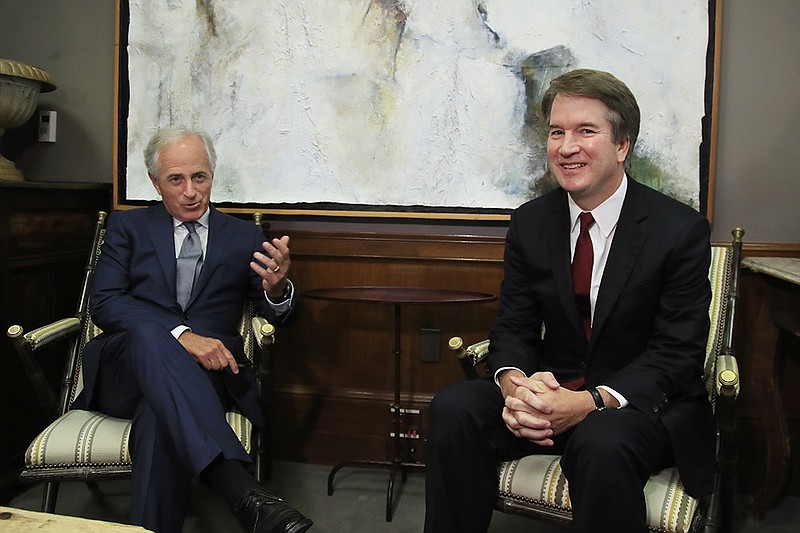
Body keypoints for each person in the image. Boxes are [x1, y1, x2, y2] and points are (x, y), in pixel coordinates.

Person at [424, 69, 715, 532]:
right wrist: (516, 387)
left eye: (585, 131)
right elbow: (514, 327)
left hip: (635, 406)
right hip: (551, 392)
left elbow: (676, 353)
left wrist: (589, 403)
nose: (566, 146)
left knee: (600, 438)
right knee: (455, 407)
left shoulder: (677, 230)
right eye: (557, 132)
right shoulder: (531, 223)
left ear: (622, 146)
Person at [73, 126, 313, 533]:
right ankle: (241, 490)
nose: (190, 191)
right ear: (155, 182)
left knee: (158, 418)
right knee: (151, 332)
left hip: (208, 375)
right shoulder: (127, 228)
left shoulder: (244, 235)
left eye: (199, 177)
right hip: (125, 370)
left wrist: (279, 290)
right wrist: (183, 336)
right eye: (176, 179)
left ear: (212, 176)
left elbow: (276, 316)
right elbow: (106, 303)